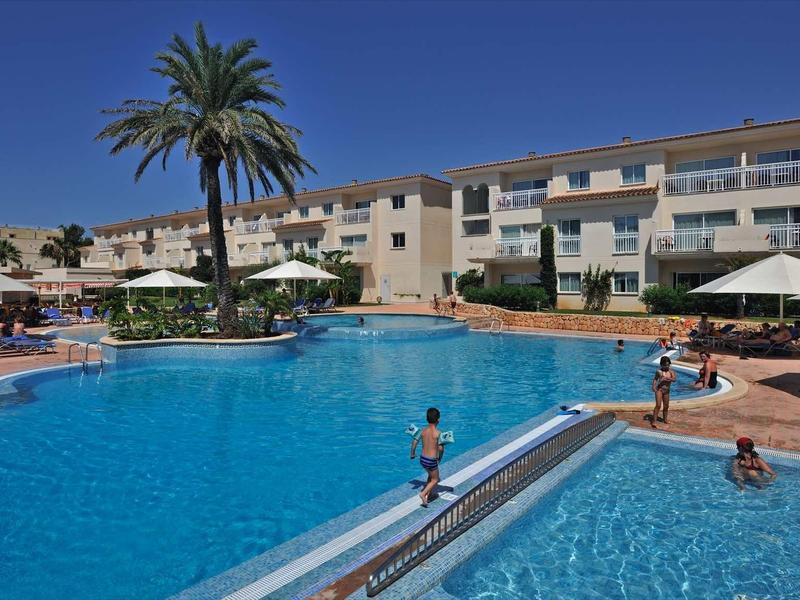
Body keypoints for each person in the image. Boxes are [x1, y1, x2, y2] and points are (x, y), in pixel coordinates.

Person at [410, 407, 444, 507]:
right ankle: (423, 494)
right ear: (438, 420)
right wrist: (440, 457)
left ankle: (430, 494)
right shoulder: (439, 433)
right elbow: (441, 449)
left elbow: (414, 441)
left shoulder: (422, 431)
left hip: (422, 459)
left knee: (431, 474)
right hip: (431, 460)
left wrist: (412, 453)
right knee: (435, 479)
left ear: (427, 419)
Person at [650, 355, 676, 427]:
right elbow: (655, 379)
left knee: (666, 406)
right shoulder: (659, 371)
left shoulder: (671, 372)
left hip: (667, 391)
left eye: (668, 365)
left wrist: (668, 378)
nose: (667, 367)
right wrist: (653, 386)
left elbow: (674, 379)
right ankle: (654, 421)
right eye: (665, 365)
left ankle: (665, 419)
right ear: (661, 365)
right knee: (658, 405)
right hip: (659, 390)